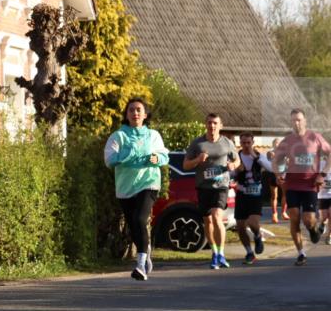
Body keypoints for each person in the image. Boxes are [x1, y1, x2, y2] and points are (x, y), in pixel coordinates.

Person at [104, 98, 169, 281]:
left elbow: (164, 155)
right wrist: (128, 154)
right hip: (126, 186)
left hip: (148, 183)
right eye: (131, 110)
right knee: (134, 226)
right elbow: (109, 160)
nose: (135, 113)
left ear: (145, 115)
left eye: (139, 110)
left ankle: (140, 264)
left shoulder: (153, 135)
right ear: (126, 114)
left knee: (140, 219)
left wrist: (157, 159)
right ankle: (145, 249)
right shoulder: (119, 136)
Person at [272, 108, 331, 266]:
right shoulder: (287, 141)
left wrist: (323, 174)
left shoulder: (315, 137)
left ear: (305, 121)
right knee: (294, 217)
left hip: (310, 184)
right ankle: (300, 253)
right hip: (292, 184)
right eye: (293, 120)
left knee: (308, 220)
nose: (296, 123)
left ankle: (314, 229)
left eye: (299, 119)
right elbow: (276, 160)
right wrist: (278, 174)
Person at [183, 114, 240, 270]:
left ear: (220, 125)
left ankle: (221, 254)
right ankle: (214, 253)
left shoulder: (227, 143)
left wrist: (233, 165)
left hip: (221, 186)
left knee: (217, 217)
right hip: (203, 187)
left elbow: (237, 160)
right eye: (209, 123)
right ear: (205, 124)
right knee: (207, 221)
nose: (212, 126)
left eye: (215, 123)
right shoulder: (197, 144)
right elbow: (186, 165)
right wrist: (197, 160)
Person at [232, 133, 271, 265]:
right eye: (244, 143)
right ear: (240, 143)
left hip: (256, 194)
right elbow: (230, 172)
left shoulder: (259, 155)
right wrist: (236, 171)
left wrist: (257, 158)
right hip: (242, 193)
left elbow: (270, 168)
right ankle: (249, 252)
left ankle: (258, 236)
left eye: (249, 143)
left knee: (252, 223)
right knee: (240, 226)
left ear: (253, 142)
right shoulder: (236, 157)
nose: (246, 145)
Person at [264, 149, 283, 223]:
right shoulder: (270, 152)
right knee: (274, 196)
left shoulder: (285, 151)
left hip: (283, 174)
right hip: (273, 175)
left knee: (286, 195)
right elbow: (268, 156)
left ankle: (283, 212)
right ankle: (274, 214)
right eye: (276, 143)